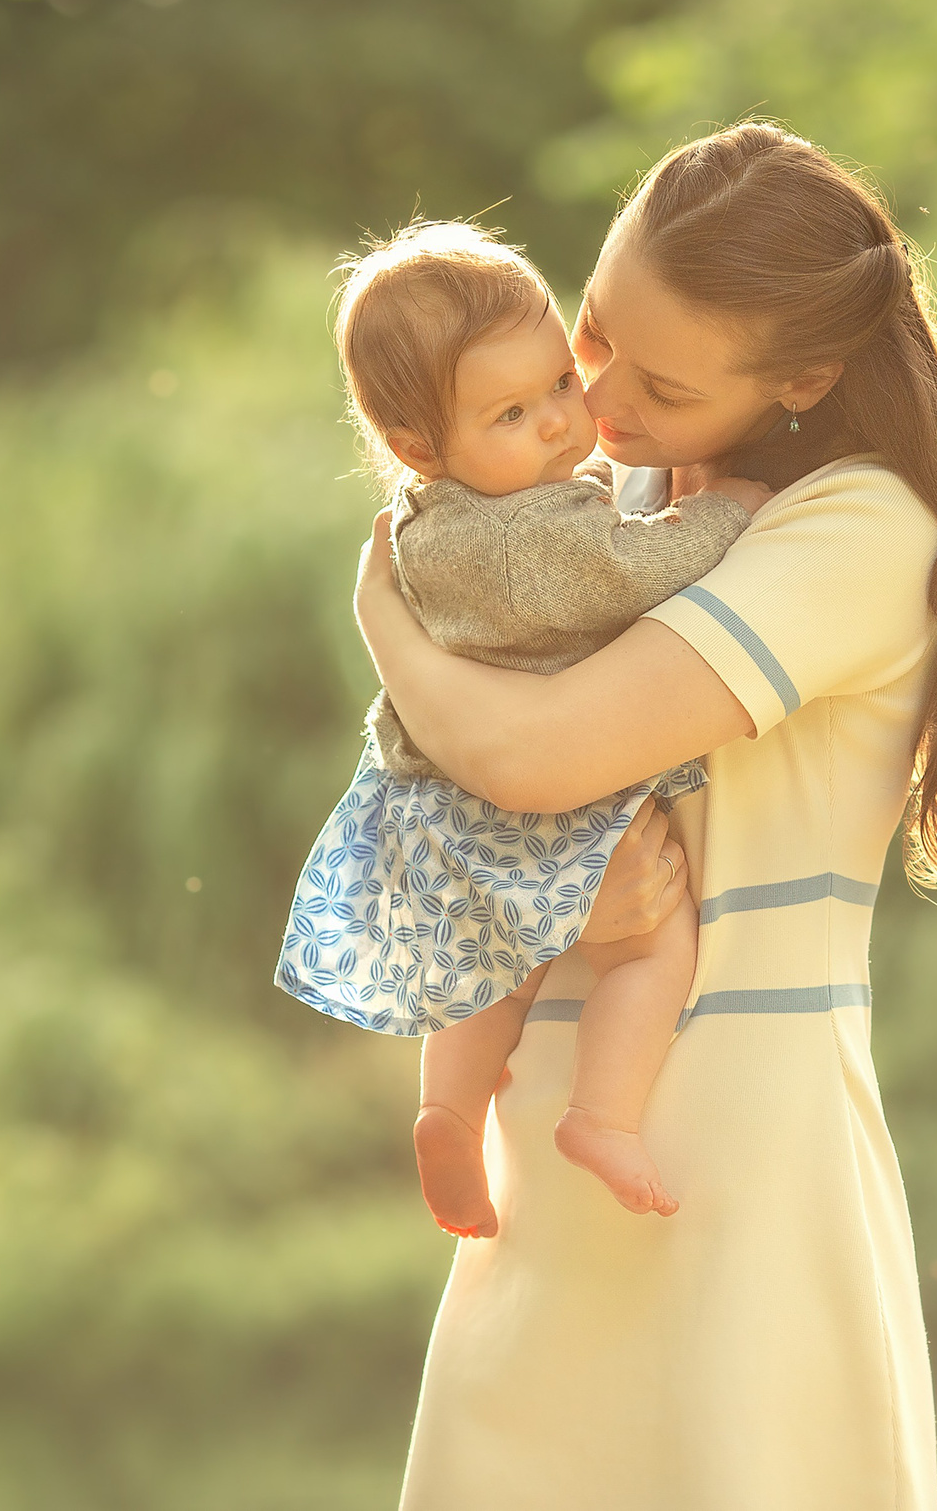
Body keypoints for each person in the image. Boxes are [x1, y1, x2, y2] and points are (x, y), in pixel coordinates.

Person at [354, 123, 937, 1509]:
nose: (598, 397)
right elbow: (456, 800)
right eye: (592, 335)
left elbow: (528, 755)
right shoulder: (613, 504)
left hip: (735, 1159)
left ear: (801, 379)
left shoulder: (852, 528)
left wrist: (382, 617)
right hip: (544, 1154)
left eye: (664, 382)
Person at [275, 221, 772, 1233]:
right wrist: (726, 511)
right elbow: (634, 567)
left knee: (495, 973)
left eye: (558, 382)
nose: (555, 421)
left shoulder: (431, 523)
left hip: (446, 805)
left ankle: (448, 1113)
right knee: (651, 952)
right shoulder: (529, 538)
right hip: (556, 792)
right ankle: (603, 1116)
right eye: (511, 412)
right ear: (418, 446)